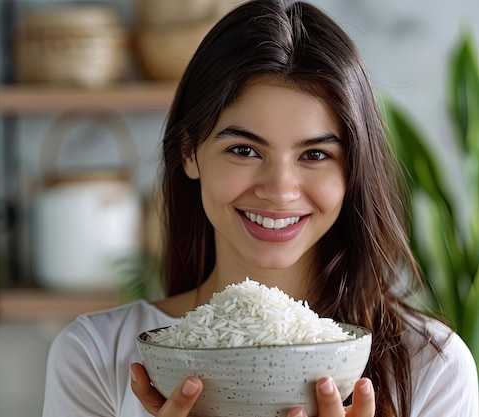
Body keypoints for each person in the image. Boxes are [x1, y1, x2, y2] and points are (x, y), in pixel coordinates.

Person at [41, 1, 479, 416]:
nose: (280, 190)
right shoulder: (96, 355)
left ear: (353, 169)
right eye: (245, 150)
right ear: (189, 152)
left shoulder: (431, 367)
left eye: (315, 154)